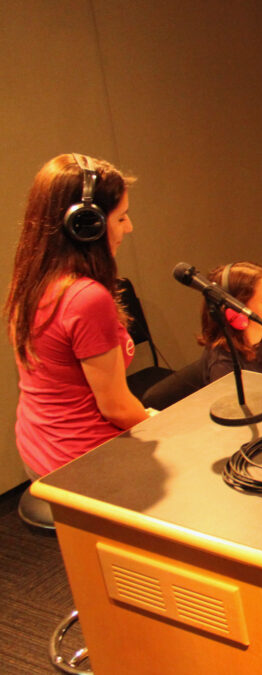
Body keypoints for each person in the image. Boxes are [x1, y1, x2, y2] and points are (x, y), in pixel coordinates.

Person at [6, 154, 149, 477]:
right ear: (87, 225)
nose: (129, 227)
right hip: (82, 461)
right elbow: (116, 407)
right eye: (121, 218)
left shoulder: (33, 277)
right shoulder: (86, 298)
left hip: (38, 445)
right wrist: (161, 426)